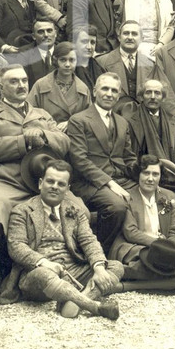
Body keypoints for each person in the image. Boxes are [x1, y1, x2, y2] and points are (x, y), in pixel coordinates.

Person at [0, 64, 70, 276]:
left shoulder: (41, 114)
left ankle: (64, 261)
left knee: (76, 206)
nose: (21, 85)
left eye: (24, 80)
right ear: (1, 87)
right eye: (14, 81)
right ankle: (7, 269)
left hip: (43, 180)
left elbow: (65, 143)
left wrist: (44, 135)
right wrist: (23, 141)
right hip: (8, 179)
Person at [6, 159, 122, 320]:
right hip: (38, 274)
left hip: (72, 270)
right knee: (43, 274)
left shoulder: (75, 210)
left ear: (67, 189)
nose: (54, 186)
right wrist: (44, 263)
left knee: (116, 267)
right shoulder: (22, 211)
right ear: (40, 183)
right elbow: (16, 246)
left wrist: (99, 268)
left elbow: (88, 240)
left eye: (61, 184)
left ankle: (77, 301)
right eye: (50, 181)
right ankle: (93, 306)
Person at [65, 73, 138, 253]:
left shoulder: (122, 122)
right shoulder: (79, 120)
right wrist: (110, 183)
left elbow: (128, 158)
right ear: (94, 91)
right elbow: (79, 160)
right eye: (105, 89)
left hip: (120, 179)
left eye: (114, 90)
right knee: (117, 207)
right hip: (90, 183)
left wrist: (145, 172)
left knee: (164, 197)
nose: (109, 94)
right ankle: (99, 252)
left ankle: (136, 250)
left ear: (119, 95)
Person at [123, 79, 175, 246]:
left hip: (173, 172)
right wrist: (143, 169)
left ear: (163, 97)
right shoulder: (131, 121)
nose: (153, 96)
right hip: (146, 174)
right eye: (148, 92)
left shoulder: (172, 120)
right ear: (141, 96)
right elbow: (128, 153)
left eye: (157, 93)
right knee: (168, 197)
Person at [108, 154, 175, 292]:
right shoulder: (127, 197)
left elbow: (173, 232)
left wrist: (169, 250)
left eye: (155, 174)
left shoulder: (169, 197)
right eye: (146, 173)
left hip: (161, 251)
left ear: (160, 176)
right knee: (145, 263)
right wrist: (158, 245)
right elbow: (131, 232)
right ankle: (145, 278)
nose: (150, 178)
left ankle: (126, 285)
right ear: (138, 174)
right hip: (136, 247)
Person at [95, 20, 175, 114]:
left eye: (134, 34)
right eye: (126, 33)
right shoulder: (101, 62)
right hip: (111, 116)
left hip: (142, 117)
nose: (130, 37)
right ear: (119, 37)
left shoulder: (150, 64)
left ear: (141, 39)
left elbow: (167, 94)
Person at [30, 41, 92, 125]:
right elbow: (30, 113)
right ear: (55, 60)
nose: (67, 64)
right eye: (63, 60)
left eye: (72, 60)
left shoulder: (83, 90)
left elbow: (89, 118)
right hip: (46, 130)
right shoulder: (41, 86)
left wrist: (70, 123)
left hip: (74, 131)